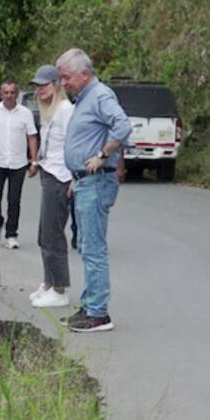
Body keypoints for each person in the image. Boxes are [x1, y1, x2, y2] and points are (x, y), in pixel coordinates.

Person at [56, 48, 132, 333]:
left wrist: (102, 154)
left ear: (83, 74)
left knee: (94, 248)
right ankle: (89, 306)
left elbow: (123, 126)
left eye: (66, 78)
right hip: (86, 181)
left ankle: (98, 313)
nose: (63, 83)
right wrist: (77, 176)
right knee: (86, 246)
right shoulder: (85, 98)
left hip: (98, 181)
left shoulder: (99, 95)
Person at [28, 64, 74, 309]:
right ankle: (48, 281)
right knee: (43, 233)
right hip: (48, 173)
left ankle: (59, 288)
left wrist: (73, 177)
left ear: (56, 85)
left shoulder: (66, 110)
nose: (39, 91)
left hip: (61, 177)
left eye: (44, 86)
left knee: (53, 234)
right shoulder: (48, 111)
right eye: (37, 87)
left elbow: (74, 144)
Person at [0, 79, 37, 249]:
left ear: (17, 94)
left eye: (12, 92)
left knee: (14, 200)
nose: (9, 96)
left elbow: (31, 137)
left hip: (18, 163)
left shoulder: (25, 113)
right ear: (1, 94)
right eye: (6, 92)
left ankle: (11, 234)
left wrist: (34, 161)